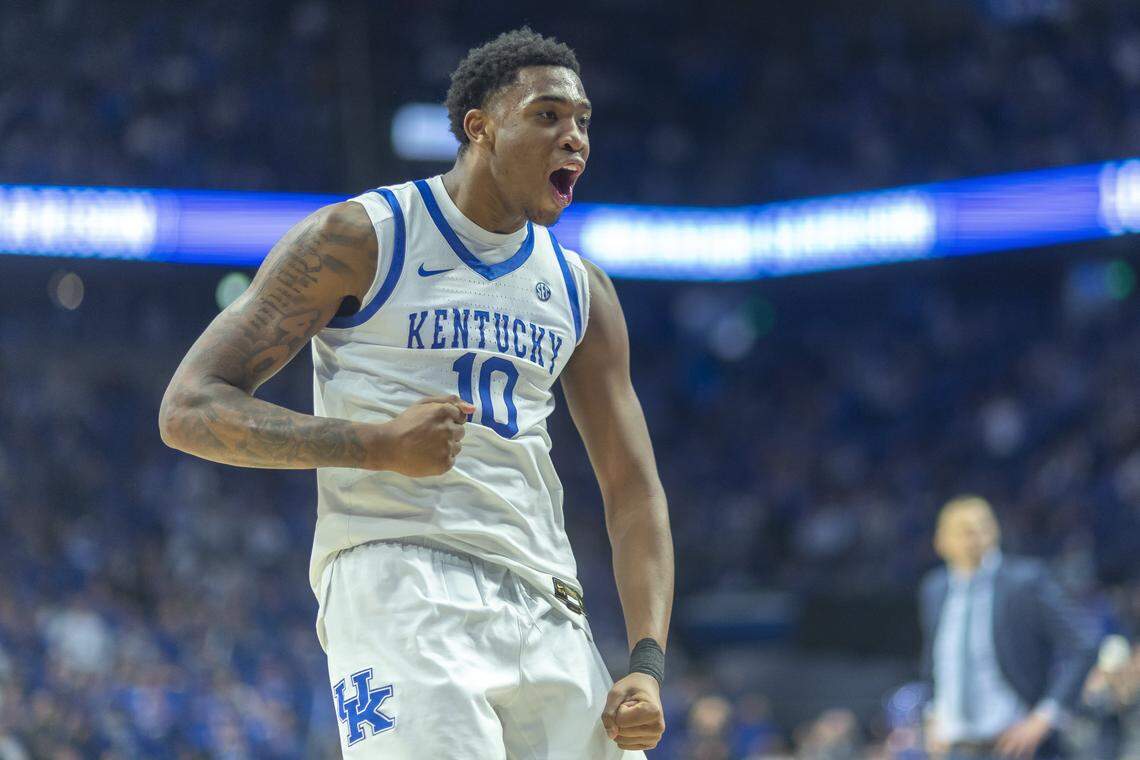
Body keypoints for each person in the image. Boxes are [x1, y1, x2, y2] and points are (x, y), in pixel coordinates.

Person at [158, 27, 673, 759]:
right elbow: (189, 408)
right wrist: (375, 446)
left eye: (584, 121)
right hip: (398, 576)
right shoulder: (363, 236)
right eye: (549, 115)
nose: (575, 138)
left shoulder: (579, 289)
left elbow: (634, 491)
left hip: (545, 601)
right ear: (480, 127)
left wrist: (648, 664)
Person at [919, 496, 1098, 759]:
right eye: (964, 531)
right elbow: (935, 659)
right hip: (956, 748)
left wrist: (1045, 716)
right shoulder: (935, 589)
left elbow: (1083, 642)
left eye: (984, 527)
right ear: (941, 541)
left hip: (1014, 745)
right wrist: (932, 713)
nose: (977, 537)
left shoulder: (1024, 581)